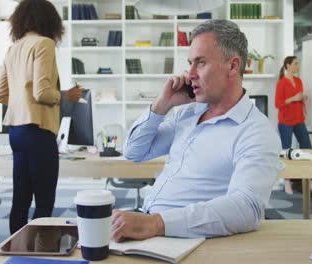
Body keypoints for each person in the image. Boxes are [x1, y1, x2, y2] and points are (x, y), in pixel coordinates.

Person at [111, 19, 281, 242]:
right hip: (149, 228)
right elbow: (134, 152)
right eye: (189, 63)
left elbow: (246, 208)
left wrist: (156, 223)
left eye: (200, 63)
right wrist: (162, 105)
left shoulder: (256, 131)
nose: (189, 74)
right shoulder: (187, 114)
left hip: (185, 239)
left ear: (233, 66)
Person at [0, 0, 83, 234]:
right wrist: (64, 96)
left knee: (20, 200)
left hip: (16, 132)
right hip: (38, 131)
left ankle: (16, 251)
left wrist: (23, 104)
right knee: (44, 201)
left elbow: (1, 94)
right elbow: (42, 92)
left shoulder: (14, 48)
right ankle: (40, 252)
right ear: (50, 20)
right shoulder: (44, 44)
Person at [275, 56, 312, 196]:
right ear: (288, 65)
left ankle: (311, 183)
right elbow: (278, 104)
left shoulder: (298, 81)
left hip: (299, 120)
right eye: (296, 64)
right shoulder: (282, 83)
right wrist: (293, 98)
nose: (298, 66)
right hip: (285, 122)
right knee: (286, 152)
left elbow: (299, 100)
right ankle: (287, 183)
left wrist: (303, 100)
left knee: (308, 150)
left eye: (298, 64)